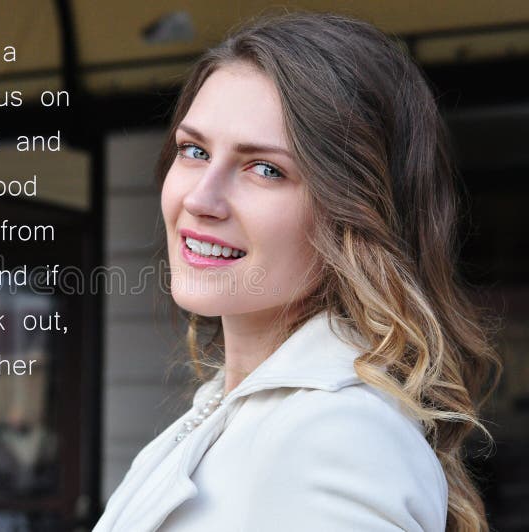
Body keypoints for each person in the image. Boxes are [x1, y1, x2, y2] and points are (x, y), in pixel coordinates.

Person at [94, 11, 502, 532]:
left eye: (265, 169)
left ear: (355, 211)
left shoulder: (339, 435)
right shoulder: (227, 412)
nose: (201, 198)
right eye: (194, 150)